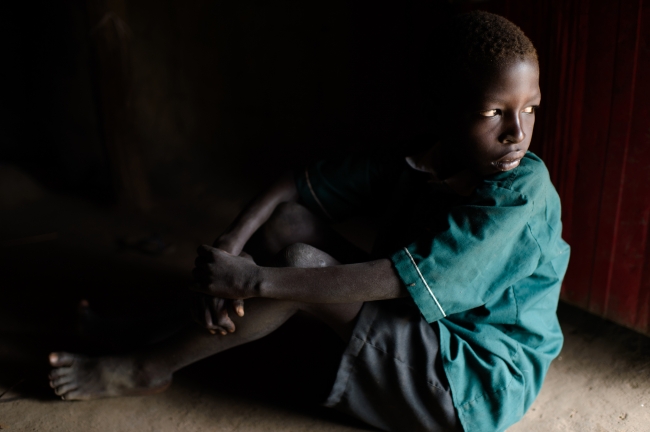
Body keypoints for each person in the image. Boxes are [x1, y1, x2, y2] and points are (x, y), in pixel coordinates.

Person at [47, 11, 570, 432]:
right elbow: (296, 183)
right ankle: (150, 332)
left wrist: (253, 279)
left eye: (530, 109)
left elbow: (401, 281)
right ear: (438, 114)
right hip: (427, 333)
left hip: (471, 380)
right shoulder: (428, 155)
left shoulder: (521, 197)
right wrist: (230, 245)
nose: (516, 133)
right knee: (288, 223)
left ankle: (148, 367)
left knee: (297, 268)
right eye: (493, 113)